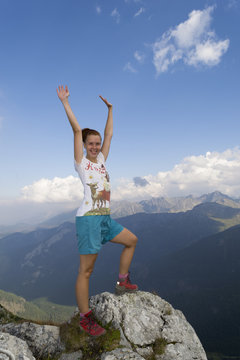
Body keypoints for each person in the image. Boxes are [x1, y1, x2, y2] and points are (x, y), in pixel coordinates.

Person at [56, 85, 138, 337]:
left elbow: (109, 134)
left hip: (105, 219)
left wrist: (111, 110)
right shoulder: (80, 163)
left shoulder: (101, 161)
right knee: (86, 271)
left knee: (132, 241)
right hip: (88, 221)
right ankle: (85, 318)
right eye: (91, 143)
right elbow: (77, 129)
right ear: (83, 145)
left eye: (97, 143)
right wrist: (66, 103)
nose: (95, 146)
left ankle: (122, 281)